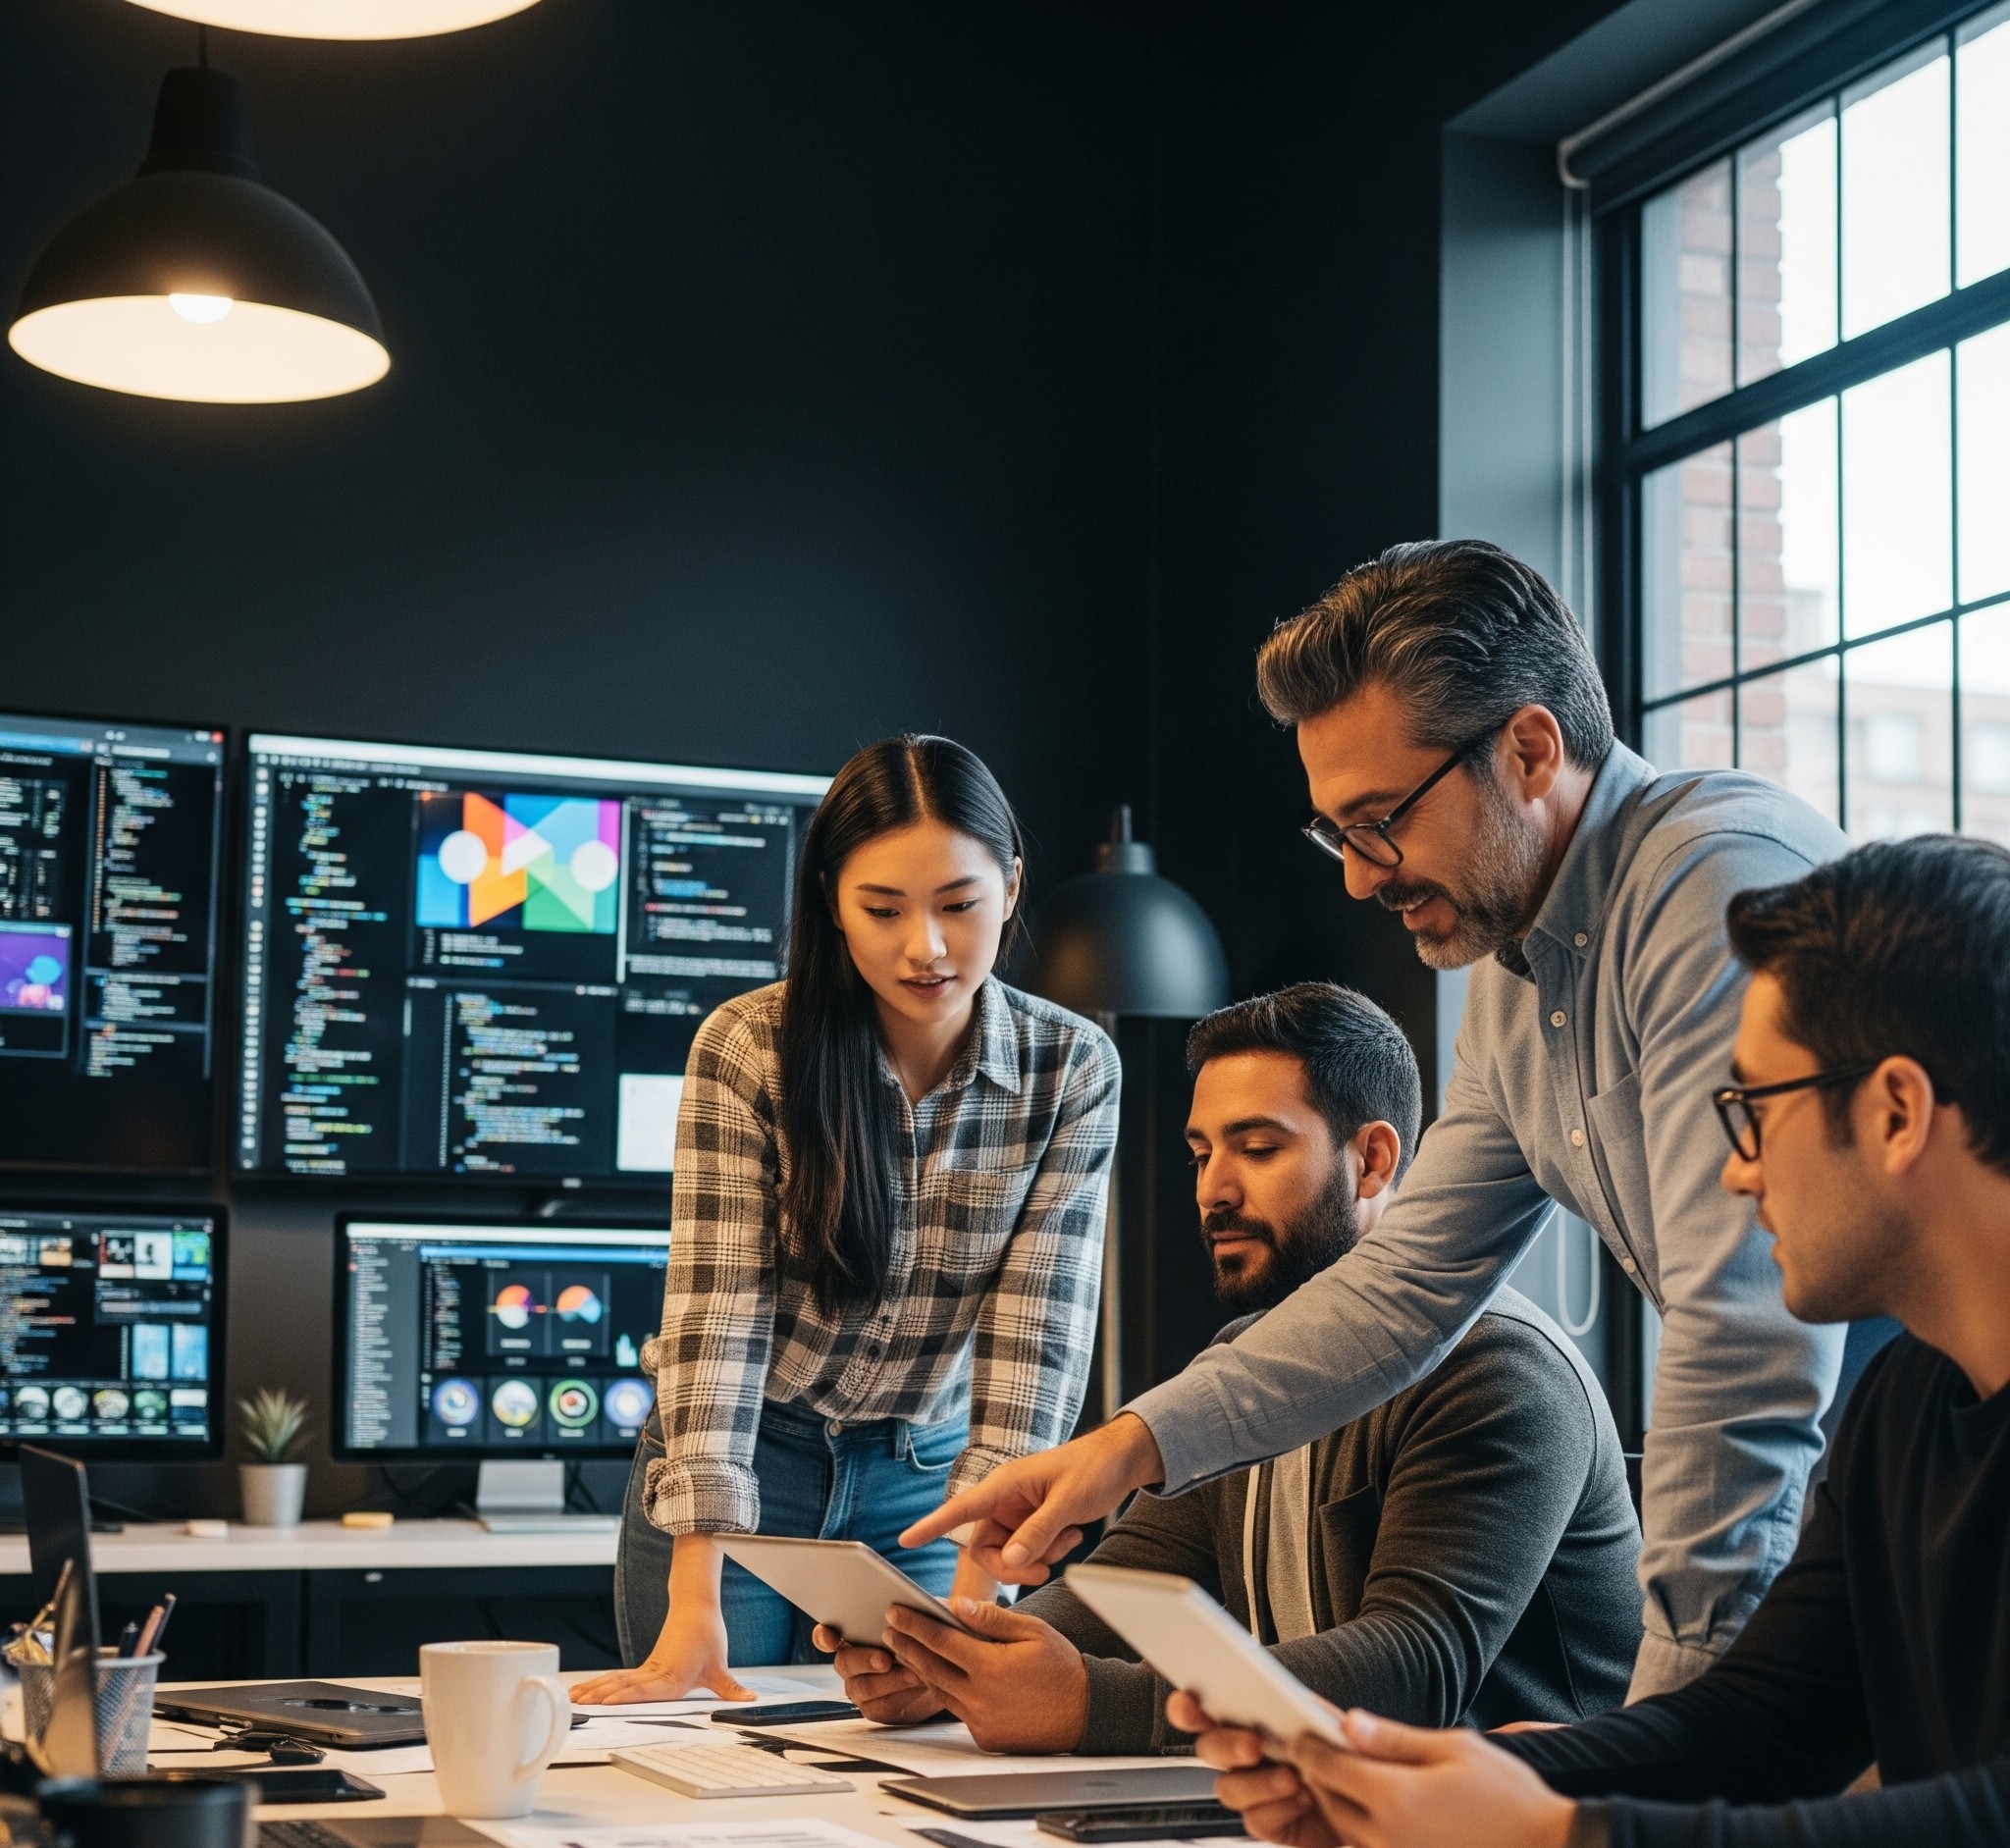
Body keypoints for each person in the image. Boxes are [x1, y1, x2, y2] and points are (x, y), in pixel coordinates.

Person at [909, 541, 1850, 1697]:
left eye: (1378, 819)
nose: (1357, 877)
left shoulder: (1712, 886)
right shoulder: (1516, 980)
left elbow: (1737, 1342)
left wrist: (1671, 1726)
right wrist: (1126, 1448)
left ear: (1527, 748)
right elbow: (1401, 1285)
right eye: (1334, 833)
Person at [1179, 835, 2010, 1847]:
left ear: (1893, 1112)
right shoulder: (1904, 1398)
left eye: (1751, 1111)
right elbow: (1757, 1723)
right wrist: (1391, 1769)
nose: (1734, 1174)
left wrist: (1558, 1832)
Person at [819, 982, 1640, 1752]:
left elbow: (1415, 1669)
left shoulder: (1496, 1368)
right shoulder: (1238, 1369)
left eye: (1256, 1147)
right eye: (1201, 1152)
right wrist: (957, 1661)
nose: (1214, 1188)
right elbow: (1122, 1587)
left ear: (1374, 1160)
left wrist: (1091, 1704)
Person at [571, 735, 1120, 1704]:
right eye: (882, 907)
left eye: (959, 903)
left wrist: (974, 1605)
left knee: (910, 1750)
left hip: (925, 1476)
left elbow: (1034, 1343)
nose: (927, 947)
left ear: (1011, 886)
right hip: (741, 1457)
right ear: (830, 898)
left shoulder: (1071, 1068)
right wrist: (691, 1594)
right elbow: (716, 1318)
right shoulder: (748, 1049)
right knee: (702, 1748)